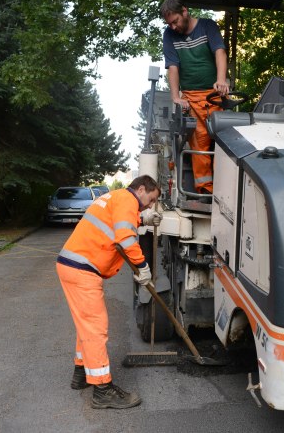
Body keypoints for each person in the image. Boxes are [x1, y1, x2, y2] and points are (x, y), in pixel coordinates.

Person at [56, 175, 162, 409]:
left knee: (87, 326)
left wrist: (142, 219)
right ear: (141, 189)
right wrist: (143, 267)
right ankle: (102, 390)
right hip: (82, 269)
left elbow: (117, 222)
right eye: (151, 199)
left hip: (73, 265)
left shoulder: (115, 197)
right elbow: (125, 237)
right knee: (96, 328)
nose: (150, 205)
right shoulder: (128, 200)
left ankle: (81, 375)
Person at [161, 0, 229, 195]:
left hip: (215, 95)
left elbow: (220, 52)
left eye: (175, 21)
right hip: (191, 98)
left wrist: (221, 80)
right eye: (169, 24)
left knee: (224, 143)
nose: (173, 27)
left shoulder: (207, 26)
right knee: (199, 145)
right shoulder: (169, 35)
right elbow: (172, 67)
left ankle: (226, 190)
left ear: (184, 11)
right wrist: (176, 96)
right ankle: (206, 191)